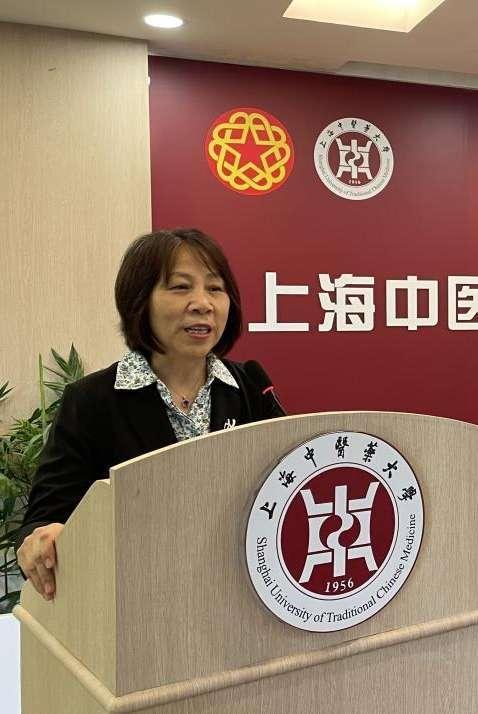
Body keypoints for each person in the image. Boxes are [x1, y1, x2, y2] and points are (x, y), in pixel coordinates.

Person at [15, 228, 285, 601]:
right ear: (139, 301)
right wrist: (42, 540)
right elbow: (46, 517)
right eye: (180, 287)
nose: (202, 303)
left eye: (215, 288)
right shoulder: (92, 400)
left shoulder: (248, 387)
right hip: (138, 597)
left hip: (239, 594)